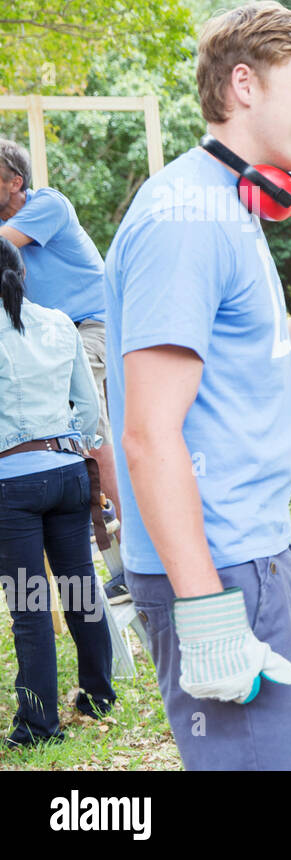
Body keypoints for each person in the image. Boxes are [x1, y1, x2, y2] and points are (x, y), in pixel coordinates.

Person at [104, 0, 291, 770]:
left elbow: (252, 374)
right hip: (219, 566)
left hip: (247, 554)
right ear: (245, 84)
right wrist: (207, 611)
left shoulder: (226, 206)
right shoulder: (189, 217)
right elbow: (147, 432)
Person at [0, 238, 116, 747]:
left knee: (30, 604)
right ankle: (97, 694)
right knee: (79, 588)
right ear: (24, 274)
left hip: (12, 482)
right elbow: (89, 413)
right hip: (69, 471)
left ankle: (39, 725)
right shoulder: (59, 322)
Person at [0, 139, 126, 598]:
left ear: (15, 181)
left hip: (93, 326)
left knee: (86, 419)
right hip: (56, 334)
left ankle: (125, 534)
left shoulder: (47, 205)